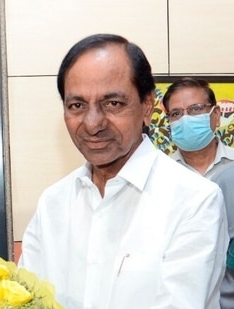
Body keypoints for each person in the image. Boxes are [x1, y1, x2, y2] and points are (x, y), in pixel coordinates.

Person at [18, 34, 228, 309]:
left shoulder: (195, 200)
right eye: (77, 105)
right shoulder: (53, 203)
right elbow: (25, 299)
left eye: (112, 103)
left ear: (146, 106)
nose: (92, 124)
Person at [162, 77, 234, 308]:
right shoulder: (160, 177)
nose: (185, 119)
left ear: (215, 115)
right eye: (176, 114)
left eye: (195, 109)